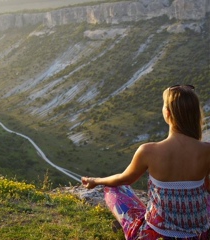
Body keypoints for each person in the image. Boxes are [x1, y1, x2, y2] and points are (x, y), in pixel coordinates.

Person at [82, 84, 210, 240]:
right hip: (199, 235)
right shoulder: (207, 150)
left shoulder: (149, 151)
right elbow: (206, 187)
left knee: (113, 189)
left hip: (156, 235)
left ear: (168, 114)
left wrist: (95, 181)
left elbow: (123, 179)